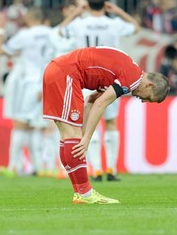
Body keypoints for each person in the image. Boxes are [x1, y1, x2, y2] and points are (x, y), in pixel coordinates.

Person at [43, 46, 169, 204]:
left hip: (57, 70)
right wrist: (86, 138)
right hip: (66, 74)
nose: (144, 101)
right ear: (150, 85)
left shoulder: (129, 70)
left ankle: (80, 192)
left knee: (68, 136)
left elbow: (92, 100)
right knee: (73, 136)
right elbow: (101, 104)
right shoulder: (131, 79)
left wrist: (83, 132)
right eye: (149, 98)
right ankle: (85, 194)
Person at [59, 0, 139, 181]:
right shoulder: (114, 24)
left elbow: (61, 30)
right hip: (110, 77)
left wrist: (77, 12)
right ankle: (111, 169)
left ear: (87, 5)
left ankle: (94, 169)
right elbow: (136, 27)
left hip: (85, 76)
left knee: (87, 123)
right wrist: (118, 11)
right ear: (105, 5)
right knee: (110, 122)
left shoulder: (79, 24)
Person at [0, 7, 52, 177]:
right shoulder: (52, 33)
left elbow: (1, 50)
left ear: (29, 18)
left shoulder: (24, 35)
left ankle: (13, 165)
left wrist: (0, 29)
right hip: (47, 82)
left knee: (21, 124)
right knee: (37, 126)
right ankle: (40, 166)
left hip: (29, 83)